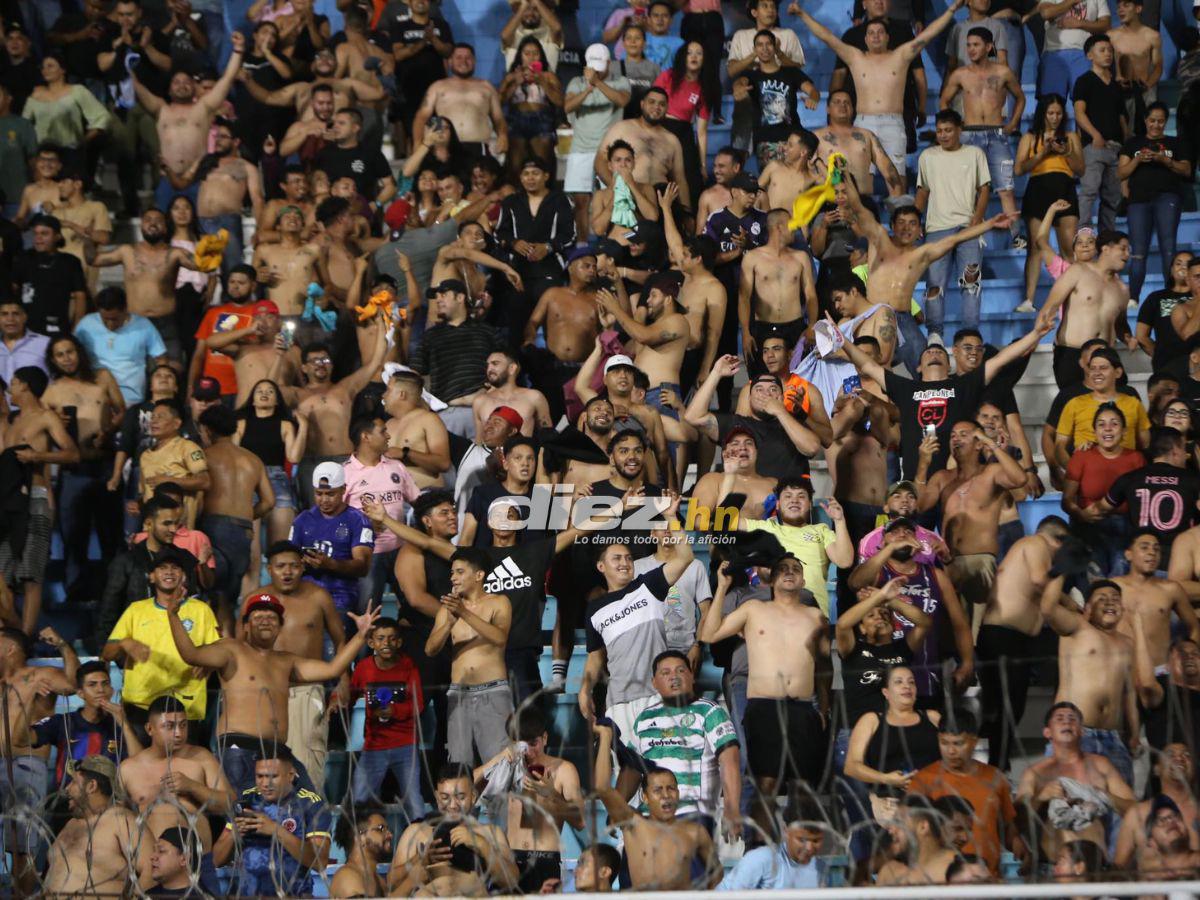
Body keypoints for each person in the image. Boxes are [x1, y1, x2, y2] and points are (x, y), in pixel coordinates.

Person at [168, 591, 378, 794]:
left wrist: (360, 636)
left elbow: (332, 669)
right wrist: (173, 615)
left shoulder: (286, 660)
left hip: (277, 751)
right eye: (258, 617)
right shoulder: (231, 650)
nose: (266, 620)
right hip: (239, 748)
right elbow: (191, 655)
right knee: (245, 816)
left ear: (280, 627)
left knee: (310, 801)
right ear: (246, 625)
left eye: (271, 617)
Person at [699, 554, 829, 838]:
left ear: (804, 580)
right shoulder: (754, 609)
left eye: (796, 568)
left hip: (802, 708)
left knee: (802, 786)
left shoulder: (814, 616)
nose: (789, 572)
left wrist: (824, 706)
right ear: (770, 578)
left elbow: (824, 666)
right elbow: (709, 634)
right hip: (763, 708)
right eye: (783, 568)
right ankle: (757, 851)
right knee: (764, 785)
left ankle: (800, 856)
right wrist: (721, 587)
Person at [796, 0, 966, 177]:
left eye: (880, 32)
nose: (876, 36)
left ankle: (899, 204)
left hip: (893, 123)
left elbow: (928, 35)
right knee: (862, 178)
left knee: (896, 179)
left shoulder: (900, 56)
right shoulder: (856, 58)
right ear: (866, 39)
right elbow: (827, 37)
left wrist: (952, 9)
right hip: (863, 122)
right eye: (871, 33)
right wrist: (802, 15)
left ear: (887, 37)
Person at [578, 495, 694, 734]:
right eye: (617, 558)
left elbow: (685, 557)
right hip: (619, 703)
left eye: (629, 558)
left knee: (664, 768)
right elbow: (595, 658)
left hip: (659, 697)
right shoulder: (595, 609)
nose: (625, 563)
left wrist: (671, 517)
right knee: (625, 770)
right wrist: (585, 689)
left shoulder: (648, 585)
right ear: (601, 567)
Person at [976, 517, 1069, 770]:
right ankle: (997, 763)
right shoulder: (1036, 543)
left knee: (1008, 704)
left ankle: (998, 761)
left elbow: (1050, 594)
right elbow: (1041, 580)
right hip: (1004, 635)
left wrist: (1075, 607)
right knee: (1009, 704)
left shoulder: (1034, 550)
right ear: (1058, 539)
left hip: (1011, 638)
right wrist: (1063, 566)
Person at [616, 649, 740, 835]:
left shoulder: (710, 712)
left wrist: (732, 808)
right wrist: (617, 806)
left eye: (681, 671)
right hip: (648, 818)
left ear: (692, 676)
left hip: (692, 816)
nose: (674, 677)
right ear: (654, 683)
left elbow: (730, 761)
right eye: (665, 673)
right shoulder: (644, 719)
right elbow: (633, 769)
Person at [118, 696, 233, 891]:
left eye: (183, 725)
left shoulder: (201, 757)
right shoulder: (128, 769)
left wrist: (193, 787)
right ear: (149, 729)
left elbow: (229, 803)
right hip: (155, 864)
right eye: (169, 726)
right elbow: (119, 820)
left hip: (199, 861)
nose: (179, 733)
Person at [101, 545, 219, 728]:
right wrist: (125, 643)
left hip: (186, 705)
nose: (169, 572)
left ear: (183, 576)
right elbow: (107, 653)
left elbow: (218, 651)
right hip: (141, 704)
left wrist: (208, 665)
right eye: (162, 568)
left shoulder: (201, 610)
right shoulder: (136, 610)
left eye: (175, 568)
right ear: (152, 576)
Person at [0, 624, 77, 896]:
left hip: (25, 764)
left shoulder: (37, 676)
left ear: (10, 649)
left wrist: (63, 645)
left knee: (23, 847)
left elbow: (71, 685)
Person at [472, 706, 583, 893]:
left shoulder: (564, 770)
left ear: (545, 738)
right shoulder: (508, 767)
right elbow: (465, 788)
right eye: (522, 745)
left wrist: (550, 793)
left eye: (534, 743)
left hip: (544, 859)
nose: (528, 752)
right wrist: (500, 757)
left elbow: (580, 821)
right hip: (511, 858)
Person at [1040, 577, 1139, 786]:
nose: (1110, 602)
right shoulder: (1077, 627)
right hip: (1075, 734)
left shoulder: (1127, 643)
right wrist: (1061, 570)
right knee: (1073, 811)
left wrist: (1135, 733)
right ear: (1087, 608)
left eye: (1115, 599)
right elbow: (1048, 608)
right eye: (1102, 599)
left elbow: (1129, 692)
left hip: (1113, 738)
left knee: (1121, 812)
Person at [131, 32, 245, 209]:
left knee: (201, 231)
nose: (182, 85)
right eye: (176, 82)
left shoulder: (204, 107)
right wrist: (128, 63)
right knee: (166, 229)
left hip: (199, 177)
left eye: (187, 82)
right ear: (169, 90)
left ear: (194, 87)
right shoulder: (161, 108)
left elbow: (227, 78)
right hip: (167, 179)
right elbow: (137, 88)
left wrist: (238, 50)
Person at [593, 737, 721, 890]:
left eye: (671, 788)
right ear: (645, 797)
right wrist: (606, 737)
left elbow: (716, 873)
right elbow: (602, 787)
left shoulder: (695, 832)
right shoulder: (634, 825)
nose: (665, 795)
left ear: (678, 793)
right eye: (657, 790)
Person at [907, 710, 1024, 876]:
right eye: (944, 743)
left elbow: (1007, 828)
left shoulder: (995, 778)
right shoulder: (923, 781)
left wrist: (1022, 850)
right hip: (942, 881)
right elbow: (912, 835)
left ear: (974, 742)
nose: (951, 751)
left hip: (987, 878)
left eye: (958, 743)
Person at [425, 547, 513, 766]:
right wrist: (448, 625)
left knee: (498, 766)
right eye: (452, 573)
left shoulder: (499, 602)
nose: (453, 577)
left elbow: (500, 638)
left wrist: (463, 613)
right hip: (458, 695)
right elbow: (430, 649)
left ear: (479, 575)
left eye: (459, 572)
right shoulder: (447, 610)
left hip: (493, 691)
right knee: (458, 766)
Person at [938, 28, 1026, 247]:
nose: (971, 49)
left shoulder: (1003, 72)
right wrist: (955, 128)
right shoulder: (960, 74)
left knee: (1005, 188)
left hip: (997, 135)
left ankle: (1017, 235)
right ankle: (973, 234)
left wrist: (1013, 123)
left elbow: (1021, 98)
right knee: (970, 189)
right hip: (969, 135)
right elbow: (944, 102)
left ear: (988, 47)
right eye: (968, 45)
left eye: (976, 45)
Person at [1016, 701, 1134, 859]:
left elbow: (1135, 810)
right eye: (1060, 719)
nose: (1067, 721)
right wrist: (1042, 796)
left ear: (1082, 731)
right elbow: (1016, 821)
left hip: (1096, 862)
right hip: (1055, 862)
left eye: (1072, 719)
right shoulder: (1035, 773)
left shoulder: (1100, 765)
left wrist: (1104, 797)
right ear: (1047, 732)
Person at [83, 209, 206, 359]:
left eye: (158, 220)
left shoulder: (175, 253)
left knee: (171, 372)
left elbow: (202, 265)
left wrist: (213, 251)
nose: (153, 223)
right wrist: (88, 237)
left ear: (166, 227)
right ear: (141, 225)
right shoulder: (126, 251)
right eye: (148, 220)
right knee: (138, 374)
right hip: (135, 323)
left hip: (166, 324)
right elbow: (92, 259)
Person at [914, 109, 992, 341]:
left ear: (960, 129)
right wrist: (916, 219)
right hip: (936, 229)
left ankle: (970, 333)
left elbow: (985, 189)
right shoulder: (927, 156)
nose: (943, 135)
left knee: (971, 285)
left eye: (948, 130)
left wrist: (976, 221)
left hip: (968, 228)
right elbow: (922, 191)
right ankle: (935, 334)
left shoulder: (975, 153)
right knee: (934, 286)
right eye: (939, 131)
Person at [215, 747, 332, 897]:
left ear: (290, 775)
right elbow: (216, 861)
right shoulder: (247, 801)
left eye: (273, 776)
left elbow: (320, 862)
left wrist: (276, 831)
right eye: (260, 776)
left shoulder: (311, 804)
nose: (265, 783)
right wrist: (234, 834)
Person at [196, 404, 273, 617]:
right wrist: (246, 516)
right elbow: (269, 502)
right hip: (244, 530)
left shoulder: (204, 455)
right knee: (228, 602)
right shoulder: (253, 459)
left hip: (213, 527)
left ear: (208, 430)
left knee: (210, 596)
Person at [347, 616, 425, 821]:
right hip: (374, 746)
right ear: (371, 642)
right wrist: (337, 700)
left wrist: (394, 712)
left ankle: (423, 847)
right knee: (359, 801)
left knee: (414, 801)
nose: (386, 644)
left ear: (399, 642)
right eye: (380, 639)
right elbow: (350, 693)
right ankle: (355, 846)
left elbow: (419, 704)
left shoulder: (409, 666)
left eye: (392, 639)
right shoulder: (364, 668)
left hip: (406, 745)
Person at [167, 117, 264, 279]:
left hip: (226, 224)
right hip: (200, 224)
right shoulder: (206, 162)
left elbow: (257, 200)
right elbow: (181, 183)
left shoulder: (246, 167)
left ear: (236, 141)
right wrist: (169, 170)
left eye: (223, 137)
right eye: (217, 136)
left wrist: (260, 230)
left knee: (232, 272)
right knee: (201, 274)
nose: (218, 140)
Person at [1015, 96, 1086, 313]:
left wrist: (1065, 152)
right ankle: (1029, 300)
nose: (1055, 118)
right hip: (1038, 188)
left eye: (1058, 113)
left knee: (1068, 247)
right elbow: (1019, 169)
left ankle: (1076, 295)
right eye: (1050, 113)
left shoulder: (1071, 136)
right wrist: (1044, 152)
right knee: (1036, 246)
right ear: (1043, 114)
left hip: (1065, 187)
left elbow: (1080, 169)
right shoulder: (1030, 137)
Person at [1092, 426, 1200, 566]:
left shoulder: (1130, 478)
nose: (1186, 455)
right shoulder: (1193, 480)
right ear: (1175, 450)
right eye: (1184, 449)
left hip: (1140, 563)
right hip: (1179, 563)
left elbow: (1099, 509)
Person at [41, 756, 147, 897]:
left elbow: (151, 869)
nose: (67, 788)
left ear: (91, 786)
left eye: (73, 782)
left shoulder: (122, 820)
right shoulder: (71, 824)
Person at [411, 279, 504, 438]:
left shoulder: (486, 331)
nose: (438, 300)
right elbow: (413, 374)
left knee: (493, 462)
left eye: (443, 294)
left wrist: (497, 389)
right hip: (447, 414)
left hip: (486, 410)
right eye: (437, 297)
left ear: (460, 298)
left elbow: (508, 365)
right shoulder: (431, 336)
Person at [1118, 102, 1192, 303]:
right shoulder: (1133, 143)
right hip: (1138, 201)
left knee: (1168, 247)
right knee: (1138, 250)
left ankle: (1173, 294)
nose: (1156, 125)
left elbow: (1187, 169)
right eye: (1152, 120)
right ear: (1145, 121)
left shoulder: (1176, 143)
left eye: (1160, 121)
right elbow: (1121, 172)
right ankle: (1133, 298)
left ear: (1165, 122)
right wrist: (1138, 160)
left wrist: (1165, 160)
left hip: (1168, 197)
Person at [288, 461, 374, 628]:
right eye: (319, 494)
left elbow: (362, 567)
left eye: (330, 494)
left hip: (341, 599)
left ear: (343, 490)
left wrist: (330, 564)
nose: (324, 500)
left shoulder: (358, 520)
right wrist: (302, 563)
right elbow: (288, 557)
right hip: (305, 599)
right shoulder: (302, 520)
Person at [32, 659, 144, 786]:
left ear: (112, 690)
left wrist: (124, 723)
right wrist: (27, 693)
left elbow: (139, 764)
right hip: (66, 799)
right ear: (80, 693)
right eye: (92, 685)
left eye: (105, 684)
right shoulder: (63, 722)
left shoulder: (121, 724)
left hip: (109, 800)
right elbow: (21, 739)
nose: (100, 690)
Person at [564, 43, 631, 238]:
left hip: (608, 152)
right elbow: (567, 107)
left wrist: (598, 83)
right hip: (581, 149)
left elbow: (623, 100)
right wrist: (588, 88)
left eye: (601, 67)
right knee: (581, 201)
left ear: (609, 63)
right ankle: (583, 245)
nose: (597, 72)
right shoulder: (576, 83)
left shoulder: (620, 81)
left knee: (612, 198)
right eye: (593, 68)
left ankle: (610, 243)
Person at [494, 157, 575, 308]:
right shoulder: (510, 201)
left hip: (550, 269)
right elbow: (499, 234)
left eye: (535, 173)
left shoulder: (560, 200)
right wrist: (514, 243)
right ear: (520, 177)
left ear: (546, 176)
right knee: (517, 323)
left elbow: (570, 235)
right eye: (526, 173)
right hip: (518, 270)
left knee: (550, 320)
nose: (530, 178)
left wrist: (548, 247)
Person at [738, 207, 818, 360]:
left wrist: (811, 326)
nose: (795, 228)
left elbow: (810, 295)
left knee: (797, 381)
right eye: (791, 224)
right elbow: (744, 297)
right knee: (762, 381)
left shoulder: (801, 257)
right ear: (779, 227)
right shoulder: (753, 258)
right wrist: (746, 333)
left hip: (795, 328)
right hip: (763, 328)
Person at [595, 88, 691, 207]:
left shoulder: (672, 140)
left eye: (662, 104)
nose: (657, 107)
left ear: (667, 109)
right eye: (651, 102)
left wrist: (687, 212)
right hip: (630, 195)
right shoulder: (622, 128)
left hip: (662, 200)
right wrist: (616, 188)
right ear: (642, 104)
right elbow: (600, 160)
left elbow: (680, 180)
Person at [74, 286, 170, 405]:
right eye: (105, 319)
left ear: (125, 310)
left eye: (114, 319)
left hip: (130, 398)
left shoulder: (143, 326)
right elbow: (73, 352)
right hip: (94, 395)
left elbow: (161, 359)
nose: (109, 325)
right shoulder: (86, 324)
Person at [412, 43, 509, 156]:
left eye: (468, 58)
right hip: (446, 148)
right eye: (458, 57)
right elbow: (422, 116)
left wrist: (503, 135)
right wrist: (418, 143)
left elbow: (498, 118)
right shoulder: (437, 86)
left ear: (474, 61)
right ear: (450, 61)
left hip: (479, 147)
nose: (463, 61)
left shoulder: (487, 87)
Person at [1074, 35, 1129, 232]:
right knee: (1089, 191)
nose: (1108, 54)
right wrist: (1095, 135)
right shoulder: (1084, 81)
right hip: (1094, 147)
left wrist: (1127, 144)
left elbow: (1122, 118)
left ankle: (1108, 236)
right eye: (1102, 50)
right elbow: (1079, 113)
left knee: (1112, 196)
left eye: (1109, 50)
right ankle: (1083, 232)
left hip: (1116, 148)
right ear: (1090, 55)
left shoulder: (1115, 85)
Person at [1115, 743, 1199, 868]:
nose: (1179, 758)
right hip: (1154, 886)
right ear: (1157, 769)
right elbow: (1118, 869)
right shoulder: (1137, 814)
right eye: (1170, 755)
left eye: (1186, 755)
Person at [716, 799, 830, 889]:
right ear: (786, 831)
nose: (809, 848)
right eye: (802, 840)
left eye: (816, 841)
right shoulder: (761, 860)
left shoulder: (821, 869)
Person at [813, 91, 905, 201]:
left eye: (847, 102)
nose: (843, 105)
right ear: (827, 109)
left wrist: (898, 203)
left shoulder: (867, 135)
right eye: (837, 102)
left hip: (863, 201)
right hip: (830, 201)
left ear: (853, 109)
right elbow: (808, 173)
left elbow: (889, 171)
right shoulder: (816, 137)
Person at [138, 399, 209, 528]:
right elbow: (144, 494)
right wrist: (138, 505)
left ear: (176, 423)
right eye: (152, 417)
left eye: (161, 417)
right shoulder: (145, 456)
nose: (154, 421)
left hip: (179, 531)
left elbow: (205, 481)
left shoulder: (188, 448)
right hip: (150, 532)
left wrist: (169, 481)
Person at [12, 213, 86, 337]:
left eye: (44, 233)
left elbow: (80, 297)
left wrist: (76, 328)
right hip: (25, 330)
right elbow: (12, 289)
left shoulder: (70, 262)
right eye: (36, 234)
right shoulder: (23, 259)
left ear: (57, 236)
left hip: (57, 328)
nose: (38, 238)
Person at [1037, 0, 1110, 99]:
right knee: (1050, 103)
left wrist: (1079, 23)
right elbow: (1046, 13)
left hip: (1083, 54)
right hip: (1054, 52)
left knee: (1086, 100)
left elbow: (1105, 24)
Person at [331, 804, 393, 898]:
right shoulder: (347, 876)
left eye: (388, 829)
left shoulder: (379, 881)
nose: (390, 835)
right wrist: (408, 885)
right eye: (381, 829)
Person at [148, 826, 205, 898]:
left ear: (184, 859)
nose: (152, 857)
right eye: (154, 850)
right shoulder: (147, 896)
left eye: (161, 851)